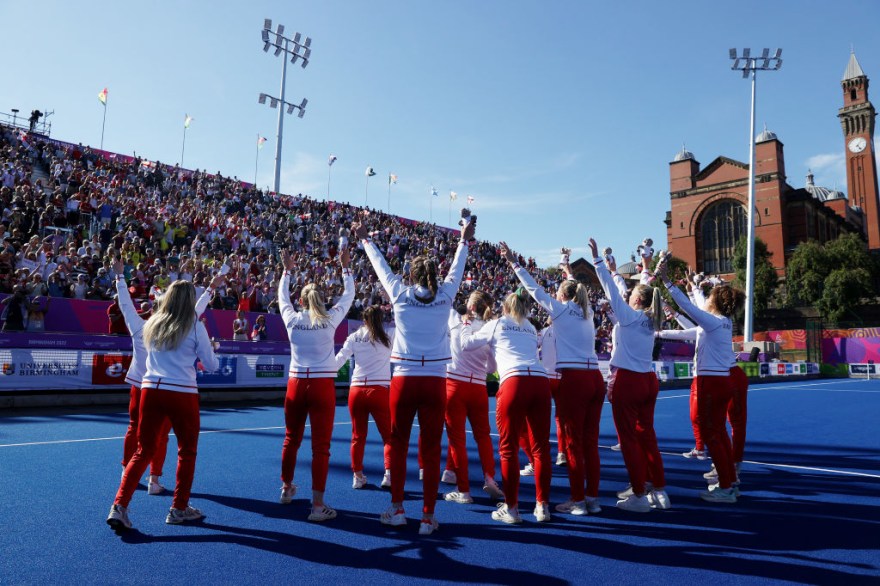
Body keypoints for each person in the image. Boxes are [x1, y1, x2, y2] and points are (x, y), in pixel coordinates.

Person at [353, 213, 474, 536]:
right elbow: (457, 269)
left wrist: (366, 238)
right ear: (433, 274)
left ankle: (396, 509)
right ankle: (427, 516)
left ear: (412, 273)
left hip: (404, 379)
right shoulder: (446, 296)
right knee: (432, 449)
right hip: (435, 380)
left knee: (397, 442)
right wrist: (463, 239)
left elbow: (380, 266)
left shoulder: (401, 294)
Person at [107, 279, 219, 532]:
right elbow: (211, 365)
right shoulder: (193, 324)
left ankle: (119, 505)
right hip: (181, 392)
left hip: (150, 389)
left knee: (143, 450)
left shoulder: (154, 322)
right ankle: (179, 507)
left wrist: (120, 279)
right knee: (187, 451)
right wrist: (210, 349)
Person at [507, 242, 604, 516]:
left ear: (562, 295)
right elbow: (574, 290)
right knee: (590, 442)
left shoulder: (560, 309)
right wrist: (568, 270)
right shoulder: (588, 312)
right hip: (595, 377)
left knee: (573, 444)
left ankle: (577, 500)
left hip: (575, 379)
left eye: (559, 291)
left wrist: (515, 263)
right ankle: (592, 498)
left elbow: (533, 290)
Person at [589, 238, 669, 513]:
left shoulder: (631, 316)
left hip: (628, 380)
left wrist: (599, 261)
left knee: (629, 440)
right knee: (647, 435)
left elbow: (612, 292)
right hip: (648, 380)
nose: (630, 291)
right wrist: (616, 268)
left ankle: (638, 493)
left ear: (636, 299)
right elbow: (631, 287)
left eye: (633, 291)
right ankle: (658, 489)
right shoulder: (648, 317)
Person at [459, 287, 552, 524]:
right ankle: (542, 507)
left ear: (506, 307)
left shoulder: (497, 323)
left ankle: (512, 509)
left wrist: (465, 323)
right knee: (541, 448)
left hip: (514, 382)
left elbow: (466, 344)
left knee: (508, 448)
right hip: (540, 381)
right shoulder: (531, 327)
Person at [656, 257, 745, 503]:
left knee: (712, 434)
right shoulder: (722, 322)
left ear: (714, 302)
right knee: (719, 433)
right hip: (721, 380)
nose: (706, 300)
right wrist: (661, 330)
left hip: (710, 383)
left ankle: (726, 487)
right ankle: (731, 482)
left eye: (709, 297)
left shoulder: (714, 321)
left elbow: (690, 308)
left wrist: (666, 281)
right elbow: (689, 325)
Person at [277, 243, 354, 522]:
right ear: (320, 301)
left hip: (296, 383)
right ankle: (318, 506)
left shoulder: (293, 319)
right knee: (321, 446)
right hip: (321, 385)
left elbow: (281, 297)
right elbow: (349, 295)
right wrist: (345, 267)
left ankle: (286, 488)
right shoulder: (330, 319)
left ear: (302, 301)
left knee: (291, 439)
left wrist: (287, 272)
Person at [443, 291, 504, 505]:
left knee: (457, 440)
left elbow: (444, 300)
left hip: (454, 385)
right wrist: (480, 369)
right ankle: (489, 476)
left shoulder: (455, 320)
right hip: (478, 387)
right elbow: (493, 367)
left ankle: (464, 491)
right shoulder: (489, 328)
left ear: (470, 306)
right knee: (484, 436)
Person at [333, 305, 394, 490]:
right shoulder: (390, 334)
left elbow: (339, 359)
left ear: (364, 319)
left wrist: (322, 371)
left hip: (357, 390)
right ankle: (389, 474)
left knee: (357, 436)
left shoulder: (354, 336)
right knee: (388, 436)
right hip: (379, 390)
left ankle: (357, 476)